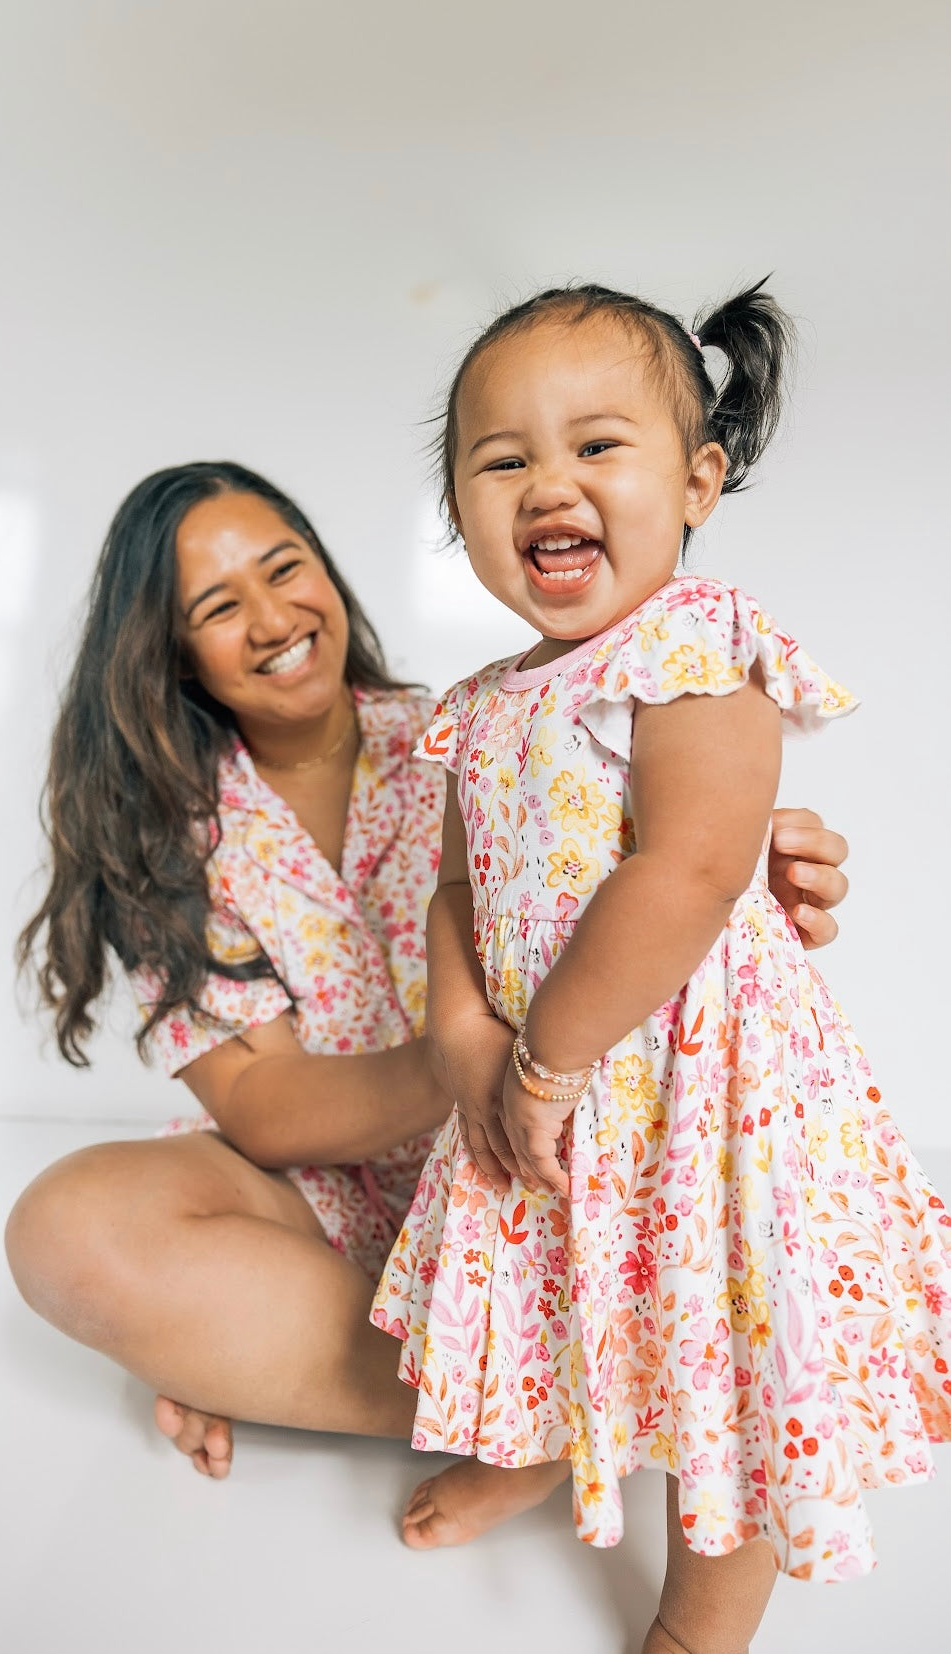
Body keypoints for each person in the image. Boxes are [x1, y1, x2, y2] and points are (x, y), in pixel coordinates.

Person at [5, 456, 852, 1514]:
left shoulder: (477, 731)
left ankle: (541, 1402)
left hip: (539, 1163)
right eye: (219, 606)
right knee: (67, 1228)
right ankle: (547, 1408)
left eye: (285, 568)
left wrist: (739, 875)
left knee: (741, 1187)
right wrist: (458, 1057)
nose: (273, 618)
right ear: (169, 653)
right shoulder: (160, 843)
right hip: (333, 1199)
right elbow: (264, 1109)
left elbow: (655, 880)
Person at [370, 281, 951, 1648]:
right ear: (459, 517)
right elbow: (457, 888)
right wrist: (467, 1031)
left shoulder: (696, 653)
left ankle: (702, 1616)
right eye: (501, 458)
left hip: (700, 1098)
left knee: (717, 1342)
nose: (546, 482)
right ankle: (536, 1444)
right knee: (559, 1282)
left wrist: (547, 1053)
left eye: (595, 446)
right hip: (542, 1084)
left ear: (696, 481)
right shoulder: (484, 706)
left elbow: (685, 870)